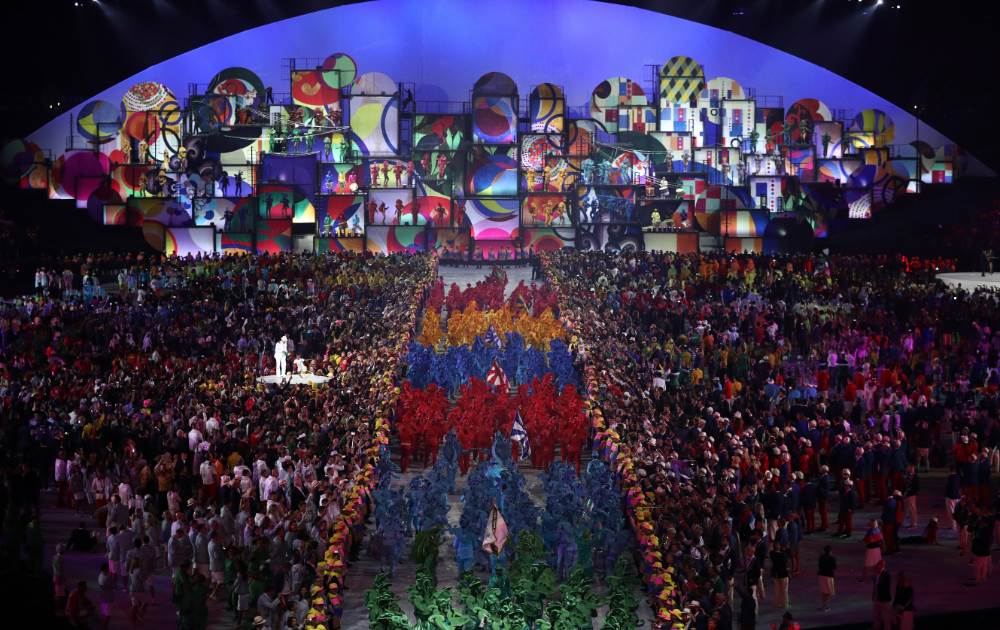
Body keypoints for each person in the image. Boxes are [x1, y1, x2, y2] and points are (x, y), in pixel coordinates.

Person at [872, 560, 893, 630]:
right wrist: (874, 595)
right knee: (876, 617)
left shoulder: (886, 574)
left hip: (884, 600)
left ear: (881, 566)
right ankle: (876, 627)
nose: (876, 567)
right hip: (877, 599)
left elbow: (884, 586)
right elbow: (875, 586)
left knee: (886, 619)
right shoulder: (877, 575)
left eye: (878, 565)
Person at [770, 541, 790, 609]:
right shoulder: (783, 555)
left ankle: (776, 603)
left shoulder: (772, 554)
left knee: (776, 590)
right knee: (784, 590)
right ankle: (784, 604)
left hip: (776, 574)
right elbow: (786, 557)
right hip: (783, 574)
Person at [817, 545, 836, 611]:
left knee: (823, 591)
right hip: (829, 576)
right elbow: (834, 567)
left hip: (821, 575)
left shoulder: (821, 557)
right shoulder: (832, 558)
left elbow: (819, 566)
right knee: (828, 592)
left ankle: (823, 605)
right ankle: (825, 606)